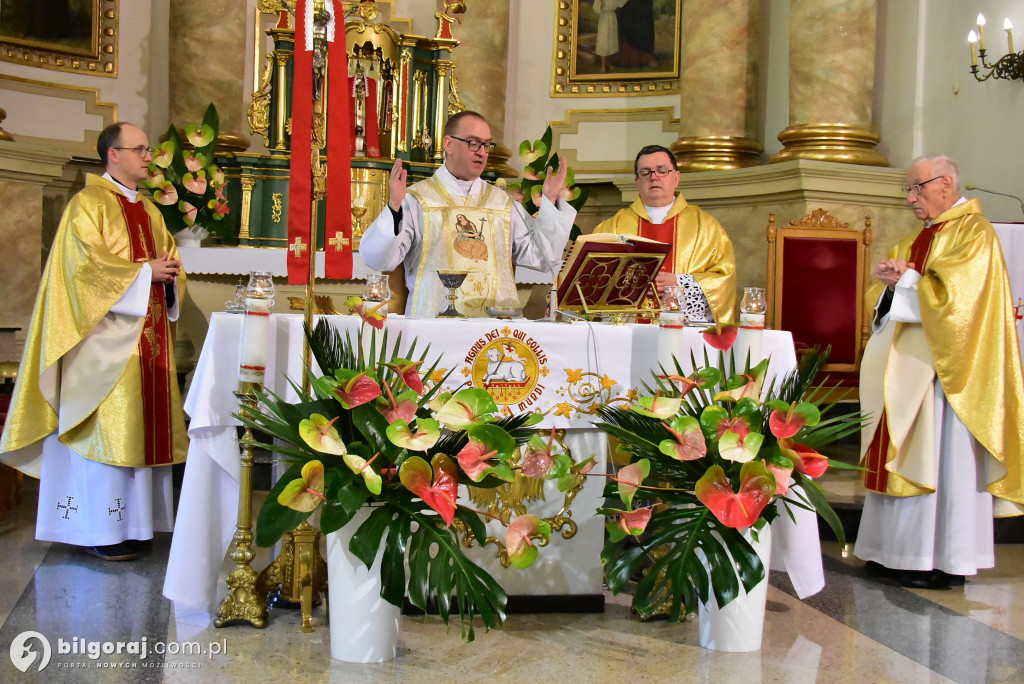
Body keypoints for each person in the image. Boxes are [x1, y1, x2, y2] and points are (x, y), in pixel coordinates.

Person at [0, 122, 188, 562]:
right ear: (113, 155)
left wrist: (169, 276)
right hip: (103, 348)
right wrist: (146, 275)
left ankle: (138, 525)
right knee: (108, 432)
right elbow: (81, 270)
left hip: (147, 342)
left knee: (140, 433)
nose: (149, 157)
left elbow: (170, 261)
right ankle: (99, 529)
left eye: (148, 150)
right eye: (139, 149)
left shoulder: (152, 211)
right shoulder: (87, 205)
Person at [854, 154, 1024, 589]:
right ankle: (892, 551)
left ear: (946, 184)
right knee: (900, 450)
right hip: (907, 370)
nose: (911, 198)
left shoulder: (975, 233)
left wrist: (908, 282)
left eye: (918, 187)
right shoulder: (921, 237)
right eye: (908, 190)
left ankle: (937, 558)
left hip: (945, 377)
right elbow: (892, 298)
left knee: (939, 459)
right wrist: (891, 284)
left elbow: (960, 303)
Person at [360, 110, 575, 317]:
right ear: (449, 144)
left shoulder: (502, 204)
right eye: (473, 143)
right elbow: (378, 259)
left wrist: (550, 201)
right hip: (433, 330)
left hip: (493, 335)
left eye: (486, 145)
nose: (481, 151)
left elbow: (544, 257)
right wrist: (394, 208)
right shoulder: (418, 200)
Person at [594, 144, 736, 323]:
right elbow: (592, 284)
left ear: (676, 177)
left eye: (662, 170)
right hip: (627, 336)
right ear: (637, 181)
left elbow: (724, 281)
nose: (654, 177)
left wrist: (680, 284)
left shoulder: (706, 227)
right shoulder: (611, 228)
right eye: (646, 172)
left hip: (683, 336)